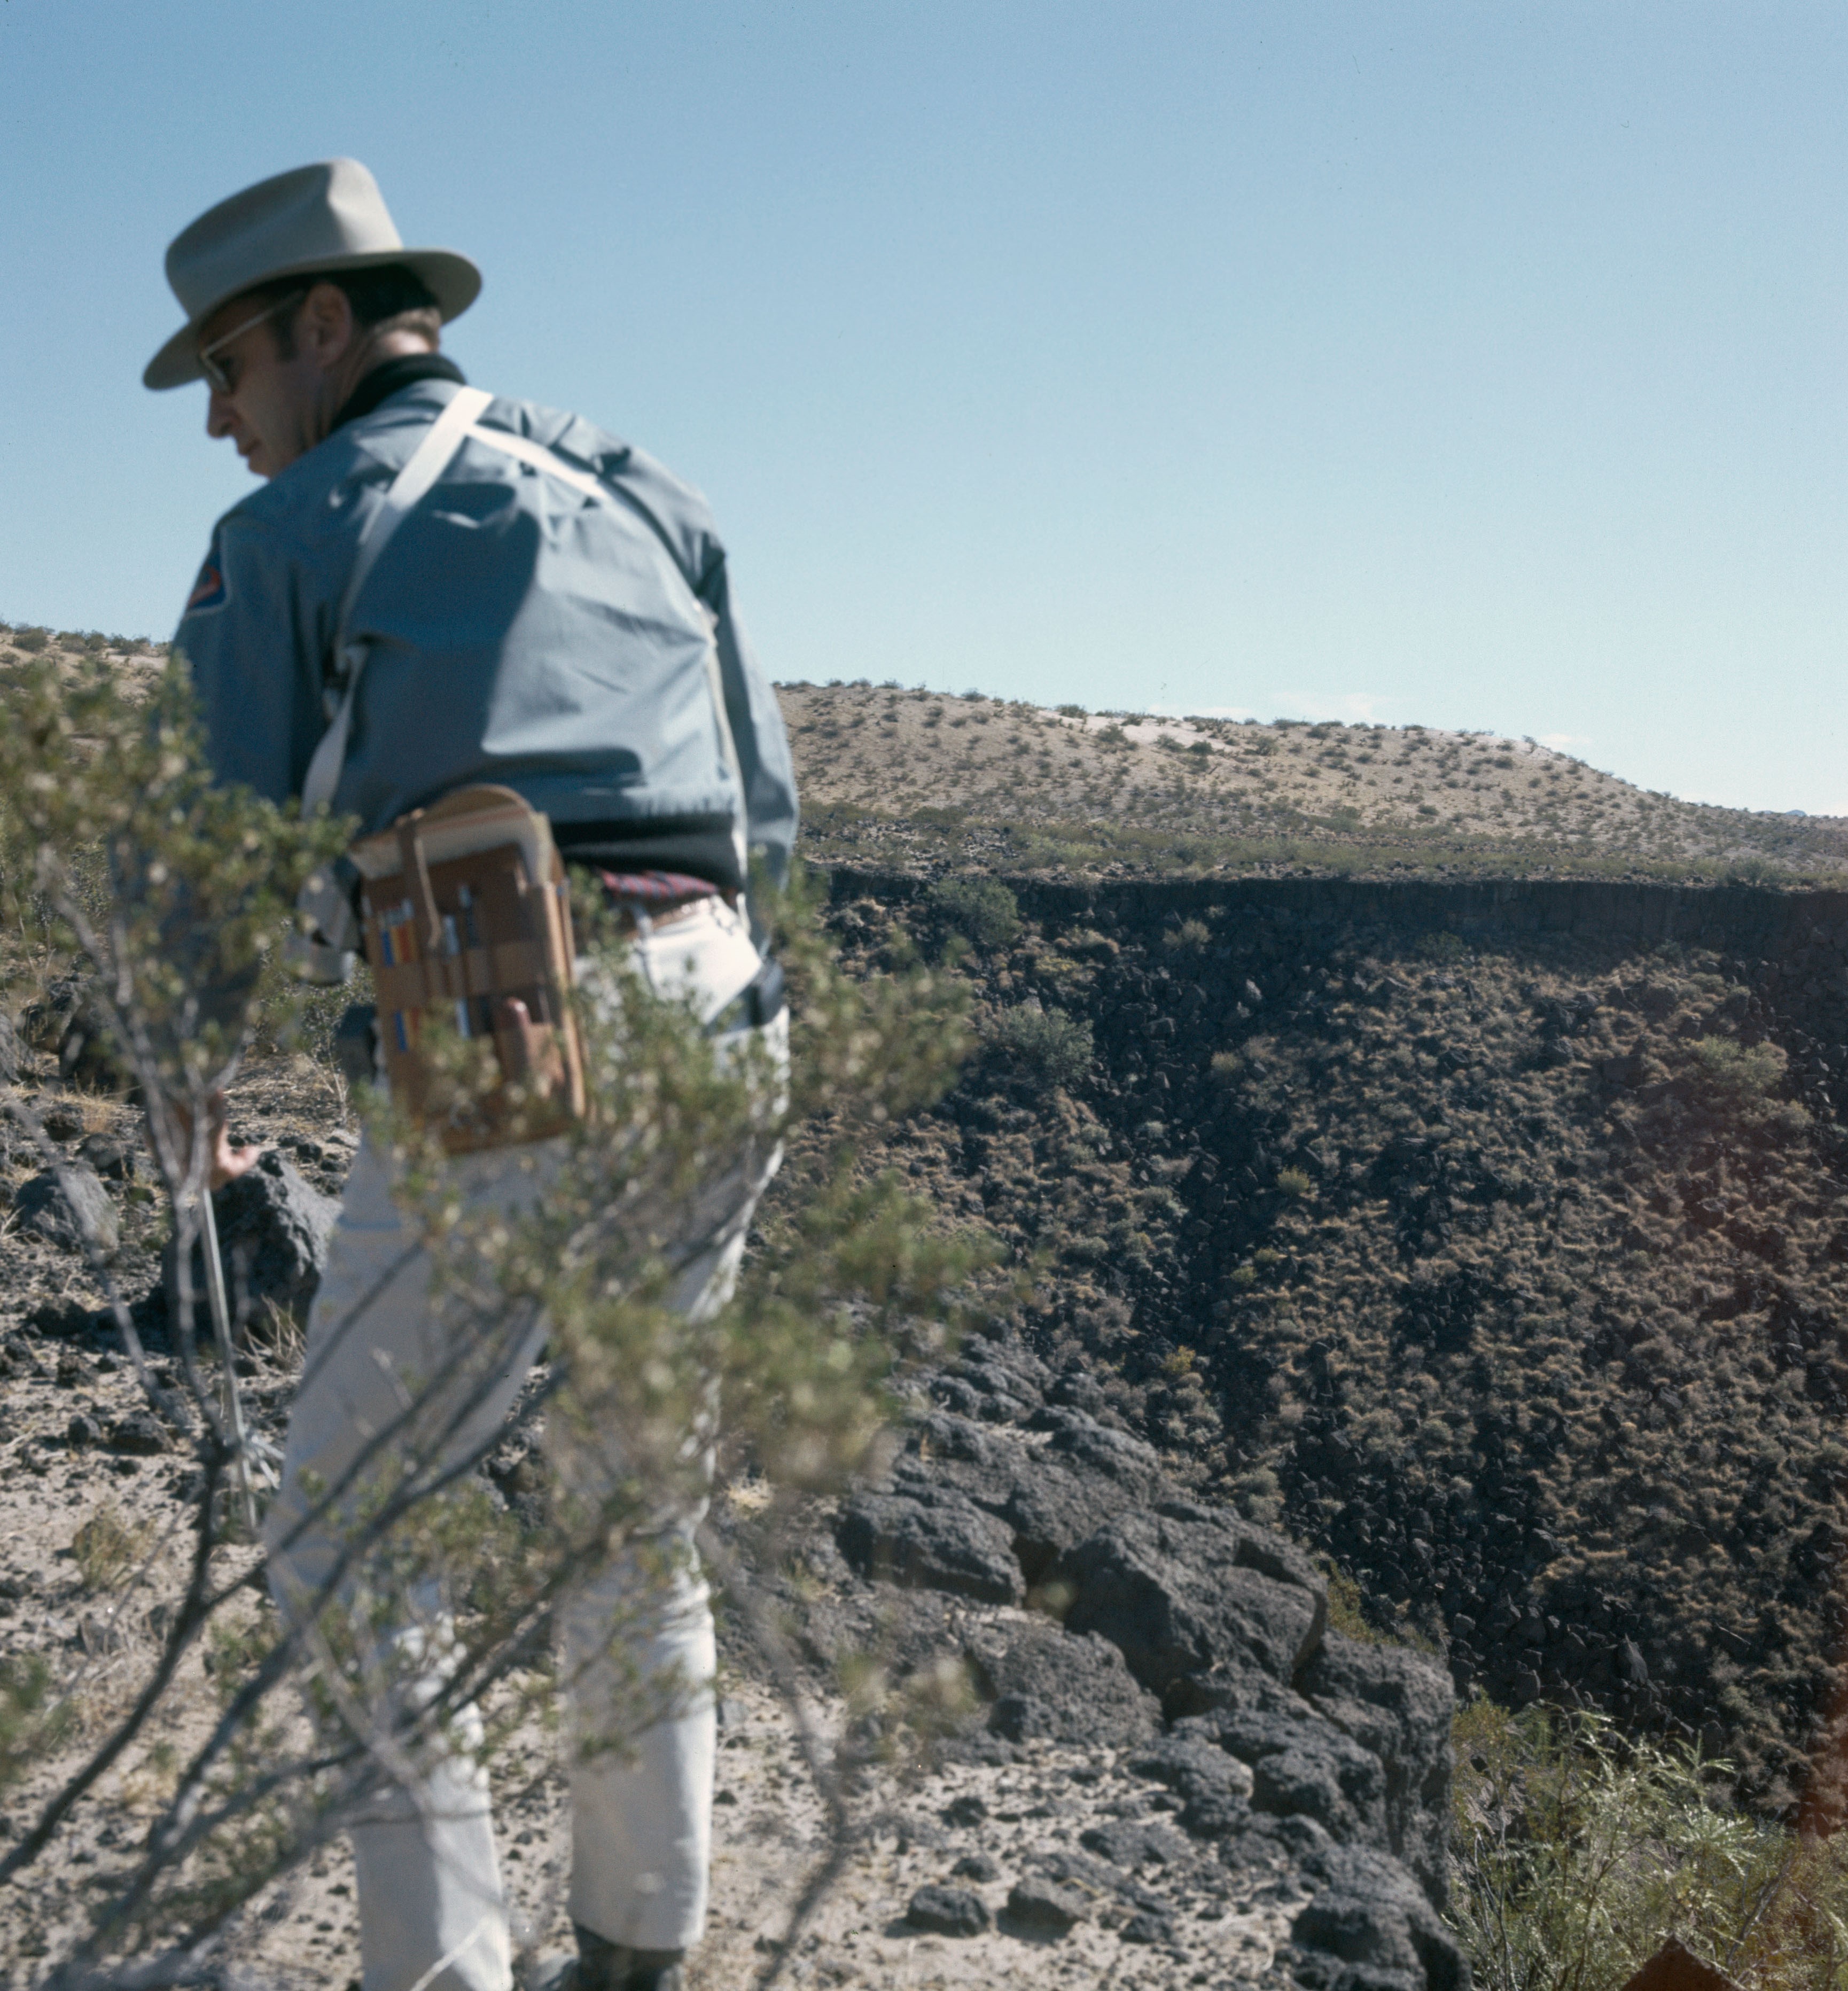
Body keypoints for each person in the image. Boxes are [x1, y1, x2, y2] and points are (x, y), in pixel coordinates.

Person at [144, 159, 799, 1991]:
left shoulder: (295, 532)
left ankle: (440, 1974)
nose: (217, 415)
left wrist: (186, 1082)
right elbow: (769, 808)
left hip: (501, 1004)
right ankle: (635, 1949)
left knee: (344, 1531)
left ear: (326, 329)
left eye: (225, 369)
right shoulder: (640, 483)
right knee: (629, 1496)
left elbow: (208, 847)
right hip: (727, 1009)